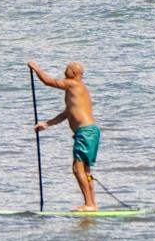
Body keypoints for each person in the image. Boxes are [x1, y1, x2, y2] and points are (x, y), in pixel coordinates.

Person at [29, 59, 103, 214]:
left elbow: (48, 82)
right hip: (90, 131)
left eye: (67, 69)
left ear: (75, 73)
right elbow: (67, 113)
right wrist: (47, 124)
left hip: (85, 132)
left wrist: (36, 68)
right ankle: (92, 205)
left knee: (77, 169)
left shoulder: (73, 84)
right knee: (85, 170)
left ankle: (89, 204)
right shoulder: (78, 91)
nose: (64, 71)